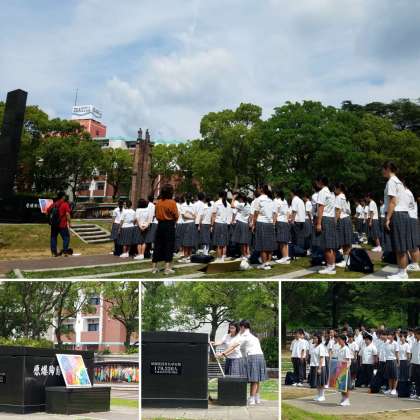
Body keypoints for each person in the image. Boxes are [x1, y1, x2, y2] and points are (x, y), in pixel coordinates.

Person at [383, 161, 411, 279]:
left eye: (383, 169)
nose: (382, 172)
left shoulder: (391, 182)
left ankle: (403, 273)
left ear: (388, 169)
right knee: (399, 246)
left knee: (400, 246)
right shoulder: (398, 182)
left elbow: (393, 201)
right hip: (402, 214)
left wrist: (387, 218)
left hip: (397, 214)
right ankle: (401, 271)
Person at [151, 184, 179, 275]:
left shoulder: (158, 202)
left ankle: (154, 268)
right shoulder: (172, 202)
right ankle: (167, 268)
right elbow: (176, 215)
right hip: (169, 225)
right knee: (169, 246)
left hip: (160, 225)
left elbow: (156, 214)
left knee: (158, 245)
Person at [315, 176, 337, 275]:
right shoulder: (331, 193)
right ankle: (332, 265)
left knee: (326, 245)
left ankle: (330, 267)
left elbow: (321, 208)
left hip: (325, 218)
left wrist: (319, 223)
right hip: (331, 219)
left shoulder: (322, 192)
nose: (316, 184)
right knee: (331, 245)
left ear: (320, 182)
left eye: (317, 182)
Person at [252, 185, 277, 270]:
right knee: (269, 244)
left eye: (259, 188)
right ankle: (268, 263)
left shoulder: (258, 199)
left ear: (262, 190)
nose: (258, 190)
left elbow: (256, 213)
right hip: (270, 223)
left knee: (262, 244)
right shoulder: (271, 200)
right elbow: (274, 214)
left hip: (261, 222)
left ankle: (264, 264)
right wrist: (273, 223)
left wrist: (253, 224)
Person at [334, 183, 352, 268]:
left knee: (345, 242)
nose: (334, 190)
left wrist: (335, 222)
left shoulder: (339, 197)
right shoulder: (344, 196)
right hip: (347, 219)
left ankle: (346, 261)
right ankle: (347, 260)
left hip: (343, 219)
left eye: (335, 188)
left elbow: (338, 211)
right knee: (346, 242)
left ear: (339, 189)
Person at [48, 191, 72, 257]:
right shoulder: (65, 204)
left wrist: (51, 220)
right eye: (65, 196)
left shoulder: (54, 204)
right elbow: (67, 214)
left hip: (54, 225)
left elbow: (48, 211)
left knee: (53, 237)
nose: (65, 197)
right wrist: (70, 223)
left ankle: (54, 253)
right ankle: (65, 252)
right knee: (66, 237)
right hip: (62, 225)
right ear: (63, 197)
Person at [231, 192, 252, 260]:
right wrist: (249, 223)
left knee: (241, 241)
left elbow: (232, 205)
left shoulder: (241, 204)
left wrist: (233, 198)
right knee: (245, 241)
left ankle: (244, 255)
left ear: (241, 198)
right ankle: (247, 254)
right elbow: (250, 215)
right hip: (246, 223)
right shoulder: (248, 204)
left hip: (240, 223)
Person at [211, 191, 231, 262]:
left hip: (218, 223)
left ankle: (219, 257)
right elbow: (230, 215)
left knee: (218, 242)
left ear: (219, 195)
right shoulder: (228, 204)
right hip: (225, 224)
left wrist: (212, 225)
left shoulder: (216, 203)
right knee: (224, 242)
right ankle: (223, 257)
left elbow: (213, 215)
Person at [274, 190, 291, 264]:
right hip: (285, 221)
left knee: (281, 241)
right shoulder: (285, 201)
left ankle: (284, 257)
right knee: (285, 241)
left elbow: (275, 213)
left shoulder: (276, 201)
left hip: (280, 221)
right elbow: (288, 212)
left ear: (277, 194)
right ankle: (286, 257)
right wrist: (286, 220)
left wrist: (273, 223)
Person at [405, 185, 420, 272]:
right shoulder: (409, 193)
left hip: (410, 218)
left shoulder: (406, 193)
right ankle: (413, 262)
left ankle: (415, 264)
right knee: (411, 243)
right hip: (412, 218)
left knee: (412, 243)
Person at [309, 333, 328, 401]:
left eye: (316, 338)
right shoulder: (313, 346)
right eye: (313, 338)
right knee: (317, 382)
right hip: (313, 365)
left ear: (319, 339)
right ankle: (318, 395)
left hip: (320, 366)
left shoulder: (321, 346)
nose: (314, 339)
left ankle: (322, 395)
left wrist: (319, 368)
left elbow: (321, 358)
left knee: (321, 382)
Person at [336, 334, 352, 406]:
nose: (338, 341)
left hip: (345, 369)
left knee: (346, 385)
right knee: (341, 385)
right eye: (338, 340)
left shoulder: (346, 349)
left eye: (339, 340)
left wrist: (345, 369)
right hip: (340, 368)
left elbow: (348, 360)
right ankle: (343, 398)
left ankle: (347, 399)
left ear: (344, 340)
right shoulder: (339, 348)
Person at [179, 194, 196, 263]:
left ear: (185, 198)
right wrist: (192, 217)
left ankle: (186, 257)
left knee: (185, 241)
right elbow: (194, 216)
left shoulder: (183, 205)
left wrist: (189, 215)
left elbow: (184, 216)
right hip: (191, 223)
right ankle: (189, 256)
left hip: (186, 224)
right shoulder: (193, 205)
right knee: (190, 240)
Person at [384, 331, 399, 396]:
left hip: (393, 360)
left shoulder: (395, 343)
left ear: (393, 336)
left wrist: (398, 362)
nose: (388, 336)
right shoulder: (386, 343)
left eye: (389, 335)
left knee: (395, 376)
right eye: (388, 335)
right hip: (388, 360)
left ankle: (394, 389)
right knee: (389, 376)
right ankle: (390, 389)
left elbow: (397, 353)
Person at [410, 327, 420, 400]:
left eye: (416, 334)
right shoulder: (414, 342)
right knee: (416, 380)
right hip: (414, 363)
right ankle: (417, 394)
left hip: (419, 363)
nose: (415, 335)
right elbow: (412, 353)